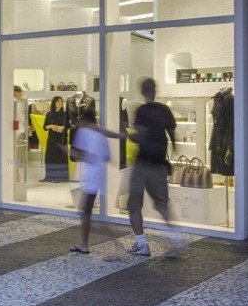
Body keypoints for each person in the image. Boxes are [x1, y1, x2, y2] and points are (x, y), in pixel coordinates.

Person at [127, 77, 186, 258]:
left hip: (143, 163)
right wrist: (170, 155)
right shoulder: (165, 110)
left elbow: (140, 137)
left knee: (134, 206)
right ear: (155, 90)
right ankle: (178, 239)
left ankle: (142, 244)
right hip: (159, 164)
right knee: (162, 205)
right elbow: (172, 134)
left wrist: (127, 135)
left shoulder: (142, 111)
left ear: (143, 92)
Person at [69, 101, 119, 254]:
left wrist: (70, 152)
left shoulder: (83, 132)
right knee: (86, 210)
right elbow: (107, 157)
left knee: (85, 211)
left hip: (90, 177)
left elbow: (79, 155)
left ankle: (84, 244)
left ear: (83, 119)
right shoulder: (100, 134)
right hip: (99, 177)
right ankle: (84, 243)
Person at [42, 95, 69, 181]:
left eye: (61, 101)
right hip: (52, 138)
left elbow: (69, 126)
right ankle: (49, 176)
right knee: (50, 157)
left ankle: (61, 177)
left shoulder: (65, 114)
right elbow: (44, 127)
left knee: (60, 157)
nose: (60, 103)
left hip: (61, 138)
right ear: (54, 103)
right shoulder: (49, 114)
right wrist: (50, 126)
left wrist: (61, 128)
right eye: (58, 101)